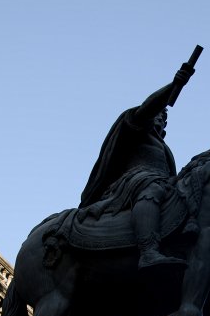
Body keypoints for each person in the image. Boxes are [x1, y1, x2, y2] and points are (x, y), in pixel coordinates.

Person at [79, 64, 194, 269]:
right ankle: (148, 250)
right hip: (135, 181)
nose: (161, 119)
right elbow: (147, 109)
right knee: (152, 188)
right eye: (159, 114)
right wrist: (174, 85)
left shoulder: (165, 148)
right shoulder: (135, 126)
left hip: (163, 182)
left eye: (165, 118)